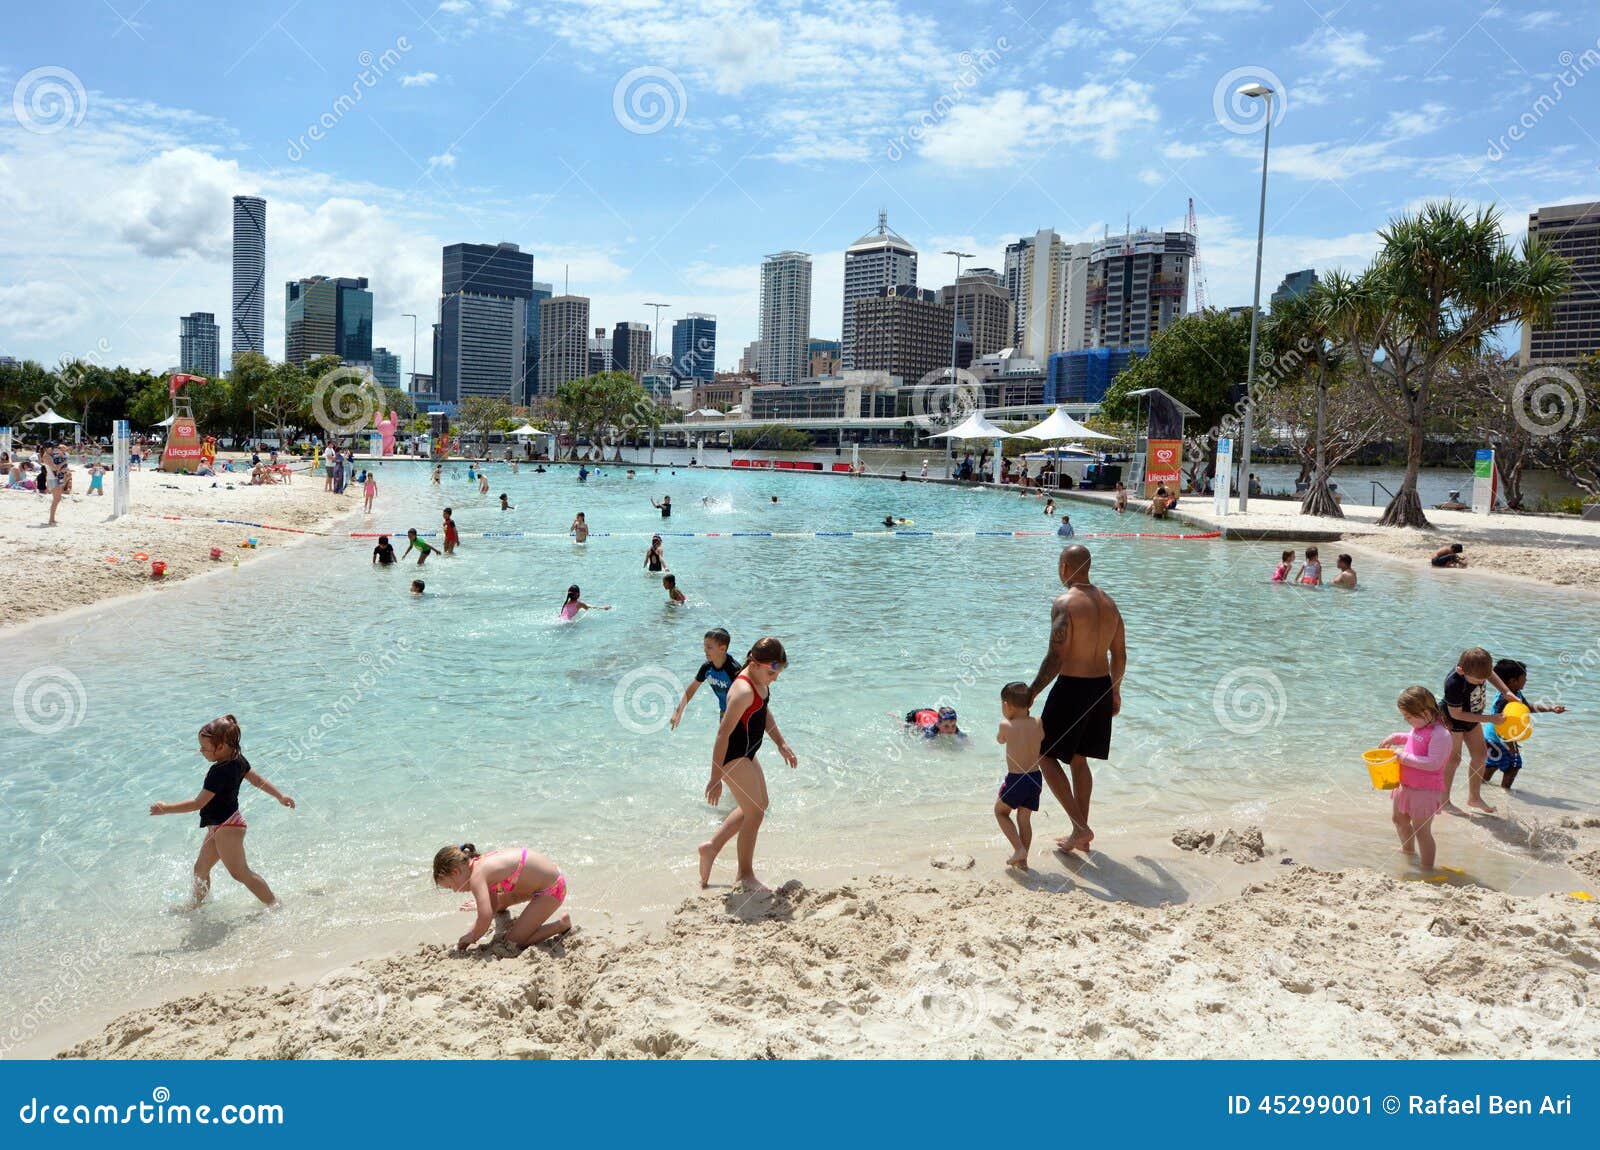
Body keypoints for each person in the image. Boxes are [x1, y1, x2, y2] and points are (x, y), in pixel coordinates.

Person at [1025, 545, 1124, 853]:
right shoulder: (1109, 603)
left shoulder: (1064, 603)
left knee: (1044, 754)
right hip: (1101, 688)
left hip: (1073, 688)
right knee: (1078, 760)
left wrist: (1030, 694)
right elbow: (1119, 653)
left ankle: (1080, 827)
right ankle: (1079, 835)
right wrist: (1116, 691)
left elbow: (1056, 657)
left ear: (1065, 567)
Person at [148, 714, 294, 908]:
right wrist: (280, 796)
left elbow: (197, 803)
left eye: (205, 748)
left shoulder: (218, 772)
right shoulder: (238, 759)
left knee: (240, 872)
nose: (201, 751)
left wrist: (166, 809)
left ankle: (274, 904)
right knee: (200, 869)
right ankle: (195, 907)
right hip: (220, 826)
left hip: (228, 826)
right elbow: (258, 781)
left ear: (221, 747)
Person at [698, 637, 797, 893]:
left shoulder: (759, 682)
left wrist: (781, 743)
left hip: (749, 753)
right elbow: (722, 735)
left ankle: (712, 847)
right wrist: (715, 777)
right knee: (755, 813)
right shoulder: (742, 691)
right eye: (771, 672)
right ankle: (744, 875)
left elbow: (763, 713)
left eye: (778, 673)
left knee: (759, 805)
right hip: (732, 756)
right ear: (754, 663)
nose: (774, 678)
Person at [432, 843, 570, 950]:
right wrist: (473, 927)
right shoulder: (479, 862)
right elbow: (492, 907)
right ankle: (491, 904)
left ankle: (561, 925)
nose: (455, 891)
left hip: (552, 890)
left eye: (451, 887)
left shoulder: (476, 878)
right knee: (496, 905)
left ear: (456, 872)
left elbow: (485, 917)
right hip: (541, 881)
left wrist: (472, 937)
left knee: (513, 942)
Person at [1377, 686, 1452, 872]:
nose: (1406, 720)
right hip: (1405, 785)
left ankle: (1427, 868)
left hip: (1425, 791)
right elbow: (1414, 739)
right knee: (1399, 820)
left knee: (1422, 831)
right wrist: (1396, 737)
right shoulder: (1419, 726)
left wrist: (1401, 757)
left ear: (1425, 712)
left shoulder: (1441, 734)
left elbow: (1433, 763)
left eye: (1408, 716)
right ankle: (1408, 853)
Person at [1440, 646, 1515, 815]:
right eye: (1477, 680)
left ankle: (1474, 797)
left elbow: (1490, 674)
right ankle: (1443, 801)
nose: (1482, 682)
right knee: (1454, 760)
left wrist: (1506, 691)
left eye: (1483, 679)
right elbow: (1456, 713)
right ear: (1461, 669)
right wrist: (1491, 719)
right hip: (1452, 721)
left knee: (1481, 755)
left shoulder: (1479, 670)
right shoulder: (1454, 682)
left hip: (1473, 718)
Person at [1483, 658, 1567, 790]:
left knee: (1493, 764)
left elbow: (1527, 707)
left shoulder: (1516, 694)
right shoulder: (1504, 699)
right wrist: (1510, 744)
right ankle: (1504, 791)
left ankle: (1482, 785)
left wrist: (1551, 708)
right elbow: (1501, 722)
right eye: (1524, 677)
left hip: (1499, 738)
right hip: (1497, 738)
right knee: (1513, 764)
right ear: (1512, 681)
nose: (1526, 680)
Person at [995, 682, 1045, 870]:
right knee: (1024, 819)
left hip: (1017, 779)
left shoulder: (1006, 724)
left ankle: (1018, 849)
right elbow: (1040, 737)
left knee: (1000, 812)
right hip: (1035, 778)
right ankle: (1023, 861)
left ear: (1006, 705)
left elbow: (1000, 740)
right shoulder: (1038, 721)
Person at [672, 629, 743, 729]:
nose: (705, 650)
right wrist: (678, 711)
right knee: (724, 742)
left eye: (709, 647)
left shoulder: (734, 670)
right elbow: (692, 689)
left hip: (741, 713)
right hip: (724, 711)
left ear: (722, 649)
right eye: (704, 646)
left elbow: (747, 693)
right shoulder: (707, 668)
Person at [44, 440, 68, 526]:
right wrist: (64, 463)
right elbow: (55, 468)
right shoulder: (46, 457)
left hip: (55, 478)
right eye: (52, 447)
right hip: (52, 479)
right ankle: (51, 519)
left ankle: (52, 519)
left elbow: (56, 467)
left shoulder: (51, 455)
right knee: (56, 499)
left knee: (57, 499)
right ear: (47, 448)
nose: (54, 448)